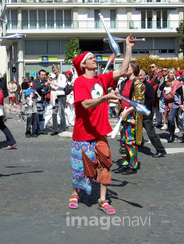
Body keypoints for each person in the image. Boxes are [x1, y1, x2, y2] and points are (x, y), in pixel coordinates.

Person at [68, 35, 135, 215]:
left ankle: (103, 200)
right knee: (81, 167)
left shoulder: (103, 79)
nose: (94, 59)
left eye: (94, 57)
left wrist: (128, 47)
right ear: (83, 64)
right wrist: (105, 97)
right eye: (90, 58)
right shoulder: (79, 82)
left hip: (100, 131)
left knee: (104, 165)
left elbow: (122, 70)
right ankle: (75, 193)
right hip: (83, 132)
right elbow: (85, 104)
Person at [114, 62, 144, 175]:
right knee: (122, 141)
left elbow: (139, 103)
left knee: (130, 141)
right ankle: (125, 163)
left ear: (134, 69)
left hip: (131, 116)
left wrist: (127, 111)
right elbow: (121, 99)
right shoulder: (123, 83)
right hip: (123, 115)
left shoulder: (138, 84)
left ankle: (133, 165)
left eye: (128, 67)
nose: (126, 69)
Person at [138, 69, 167, 158]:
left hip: (146, 113)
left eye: (141, 75)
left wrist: (142, 106)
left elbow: (151, 100)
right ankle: (139, 143)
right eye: (138, 76)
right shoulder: (136, 86)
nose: (140, 77)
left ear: (145, 75)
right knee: (136, 131)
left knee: (151, 133)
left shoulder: (148, 86)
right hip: (138, 113)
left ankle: (161, 150)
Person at [159, 68, 184, 143]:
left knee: (171, 118)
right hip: (167, 102)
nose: (172, 74)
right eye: (170, 73)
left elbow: (181, 93)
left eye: (173, 73)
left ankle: (172, 135)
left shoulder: (177, 83)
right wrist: (165, 81)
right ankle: (171, 132)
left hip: (175, 103)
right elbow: (160, 88)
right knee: (168, 118)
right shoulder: (166, 82)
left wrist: (181, 103)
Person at [47, 65, 67, 136]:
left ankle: (63, 128)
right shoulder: (54, 78)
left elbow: (63, 85)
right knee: (54, 113)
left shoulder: (62, 76)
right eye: (53, 70)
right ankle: (54, 129)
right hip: (55, 96)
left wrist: (53, 83)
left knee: (61, 113)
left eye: (55, 70)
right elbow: (54, 87)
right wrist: (50, 85)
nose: (55, 72)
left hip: (61, 95)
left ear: (58, 69)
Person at [33, 69, 49, 135]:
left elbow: (47, 89)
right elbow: (36, 88)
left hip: (43, 100)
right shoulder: (36, 81)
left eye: (44, 75)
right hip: (37, 100)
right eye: (42, 75)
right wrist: (44, 85)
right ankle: (36, 129)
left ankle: (41, 130)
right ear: (39, 75)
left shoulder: (46, 81)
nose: (43, 76)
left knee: (42, 115)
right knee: (37, 115)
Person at [150, 63, 163, 128]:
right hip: (154, 93)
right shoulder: (152, 75)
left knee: (159, 107)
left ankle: (160, 121)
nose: (151, 68)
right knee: (155, 108)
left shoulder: (158, 74)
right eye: (150, 67)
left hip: (158, 93)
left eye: (153, 67)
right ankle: (158, 121)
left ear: (156, 67)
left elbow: (159, 83)